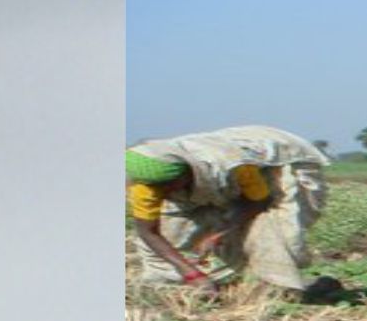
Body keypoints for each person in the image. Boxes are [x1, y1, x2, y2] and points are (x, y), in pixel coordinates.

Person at [128, 126, 335, 301]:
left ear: (186, 173)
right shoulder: (146, 187)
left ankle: (280, 286)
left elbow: (259, 201)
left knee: (274, 233)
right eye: (159, 189)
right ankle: (208, 284)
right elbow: (149, 232)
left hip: (276, 159)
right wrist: (191, 273)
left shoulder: (234, 165)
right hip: (213, 179)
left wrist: (220, 233)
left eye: (170, 185)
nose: (165, 192)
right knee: (174, 236)